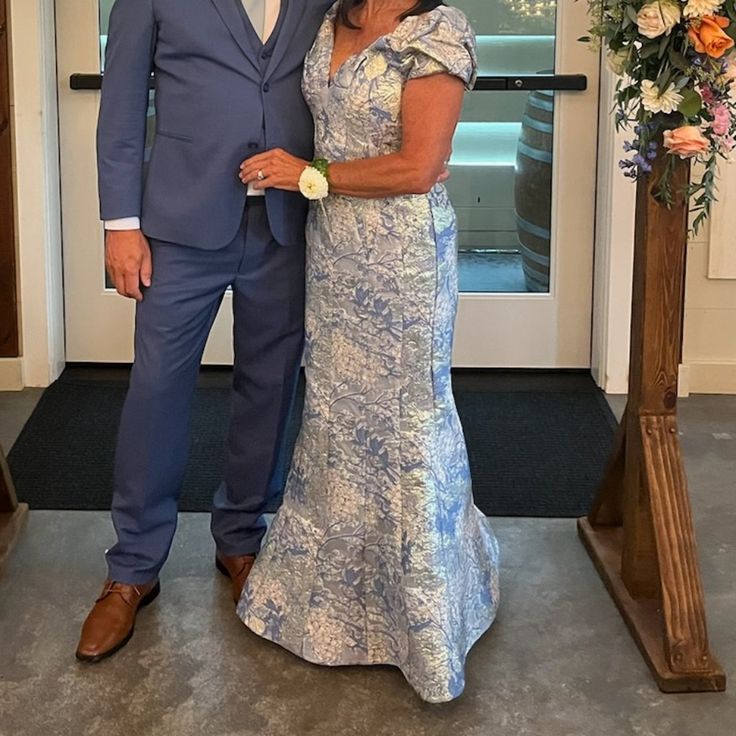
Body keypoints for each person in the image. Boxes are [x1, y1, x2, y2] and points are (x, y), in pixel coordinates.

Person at [236, 0, 500, 703]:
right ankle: (326, 609)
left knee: (406, 423)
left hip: (402, 257)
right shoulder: (333, 19)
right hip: (334, 254)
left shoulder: (438, 31)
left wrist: (308, 175)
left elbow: (419, 167)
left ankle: (423, 622)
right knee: (333, 414)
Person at [76, 0, 334, 662]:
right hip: (178, 227)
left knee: (270, 386)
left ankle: (242, 538)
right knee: (157, 391)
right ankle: (132, 568)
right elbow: (123, 106)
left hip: (285, 223)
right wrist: (121, 226)